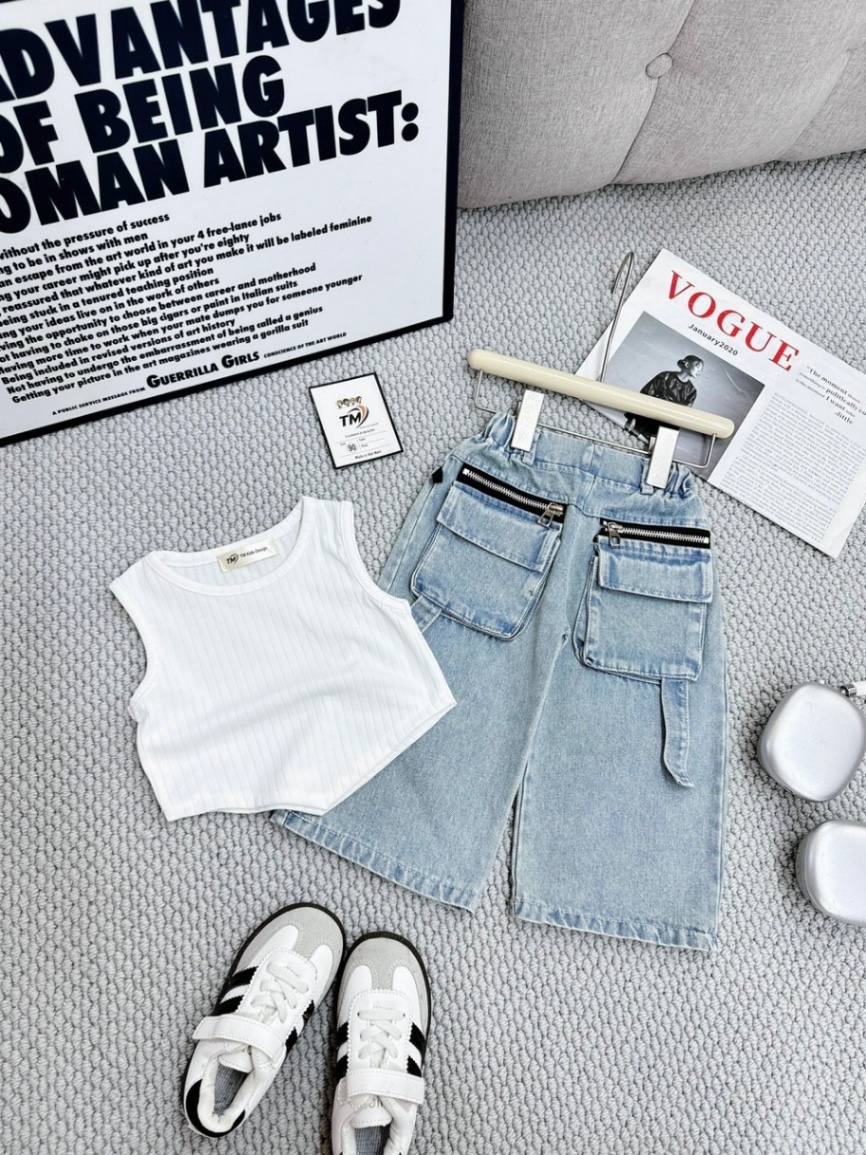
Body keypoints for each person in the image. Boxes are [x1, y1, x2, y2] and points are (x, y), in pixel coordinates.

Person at [625, 354, 704, 441]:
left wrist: (669, 436)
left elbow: (683, 415)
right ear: (687, 364)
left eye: (701, 369)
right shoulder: (665, 376)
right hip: (644, 420)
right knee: (629, 440)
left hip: (663, 429)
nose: (699, 371)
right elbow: (645, 395)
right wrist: (633, 417)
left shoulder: (692, 391)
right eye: (698, 366)